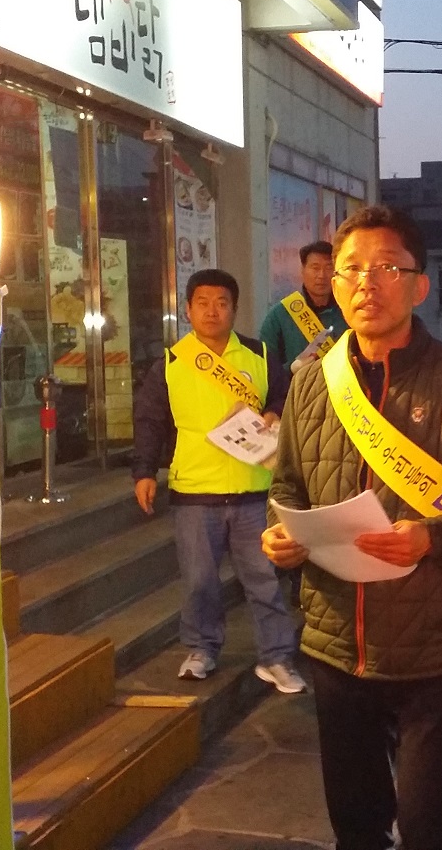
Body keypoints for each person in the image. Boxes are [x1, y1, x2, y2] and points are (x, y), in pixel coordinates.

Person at [261, 204, 442, 850]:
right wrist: (281, 537)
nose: (365, 284)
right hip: (334, 641)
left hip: (435, 643)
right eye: (351, 268)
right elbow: (287, 484)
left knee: (429, 824)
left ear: (418, 285)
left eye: (386, 268)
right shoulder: (310, 386)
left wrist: (431, 537)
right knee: (355, 824)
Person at [131, 268, 306, 694]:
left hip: (254, 488)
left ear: (234, 308)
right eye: (203, 303)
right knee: (198, 581)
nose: (213, 311)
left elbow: (286, 393)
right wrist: (143, 471)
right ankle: (201, 649)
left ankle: (277, 658)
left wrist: (272, 411)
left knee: (264, 579)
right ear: (188, 309)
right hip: (195, 491)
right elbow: (151, 420)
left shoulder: (260, 355)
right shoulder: (170, 363)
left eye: (222, 303)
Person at [259, 240, 346, 371]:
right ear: (302, 270)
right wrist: (292, 369)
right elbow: (265, 371)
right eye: (315, 268)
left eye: (329, 268)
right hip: (296, 389)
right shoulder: (279, 315)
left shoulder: (347, 311)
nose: (322, 275)